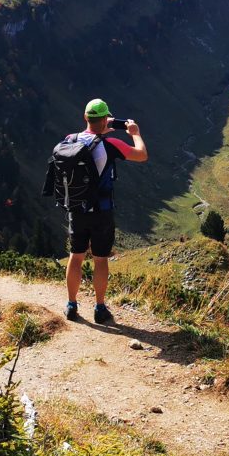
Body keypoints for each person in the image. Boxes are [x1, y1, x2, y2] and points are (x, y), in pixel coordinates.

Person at [60, 98, 147, 323]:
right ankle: (99, 308)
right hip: (101, 211)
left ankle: (71, 305)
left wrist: (98, 129)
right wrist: (134, 132)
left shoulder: (70, 140)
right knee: (100, 259)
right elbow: (141, 155)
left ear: (85, 118)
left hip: (76, 209)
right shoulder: (111, 144)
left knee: (76, 256)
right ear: (106, 118)